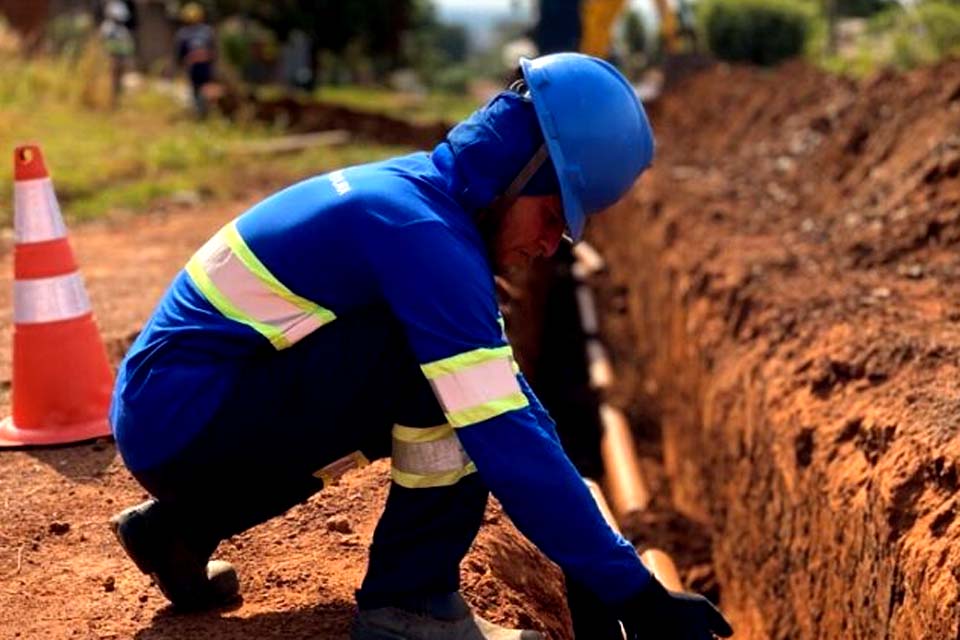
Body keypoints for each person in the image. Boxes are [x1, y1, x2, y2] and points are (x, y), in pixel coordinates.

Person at [109, 53, 733, 640]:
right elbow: (499, 424)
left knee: (458, 384)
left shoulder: (420, 198)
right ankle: (412, 603)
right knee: (443, 387)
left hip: (175, 413)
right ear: (517, 171)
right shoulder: (422, 236)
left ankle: (179, 533)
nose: (551, 246)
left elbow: (515, 397)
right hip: (184, 424)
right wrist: (635, 593)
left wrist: (596, 564)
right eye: (551, 215)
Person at [173, 2, 217, 119]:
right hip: (193, 67)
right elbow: (180, 53)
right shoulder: (183, 34)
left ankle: (205, 113)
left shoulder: (207, 32)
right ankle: (199, 114)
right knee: (195, 91)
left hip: (205, 66)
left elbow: (213, 50)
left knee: (206, 91)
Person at [99, 0, 135, 108]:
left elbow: (128, 45)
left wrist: (128, 56)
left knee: (119, 80)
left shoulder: (123, 29)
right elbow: (103, 43)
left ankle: (116, 101)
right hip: (111, 57)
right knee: (110, 78)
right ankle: (108, 100)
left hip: (121, 58)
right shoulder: (107, 27)